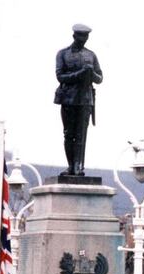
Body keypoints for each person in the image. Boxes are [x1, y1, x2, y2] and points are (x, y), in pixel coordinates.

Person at [54, 24, 103, 176]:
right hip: (68, 99)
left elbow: (100, 78)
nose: (84, 40)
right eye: (81, 37)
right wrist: (81, 73)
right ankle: (71, 166)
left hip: (85, 100)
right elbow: (60, 76)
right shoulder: (62, 54)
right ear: (74, 36)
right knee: (69, 134)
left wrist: (91, 73)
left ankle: (78, 167)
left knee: (82, 134)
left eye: (86, 37)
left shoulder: (91, 55)